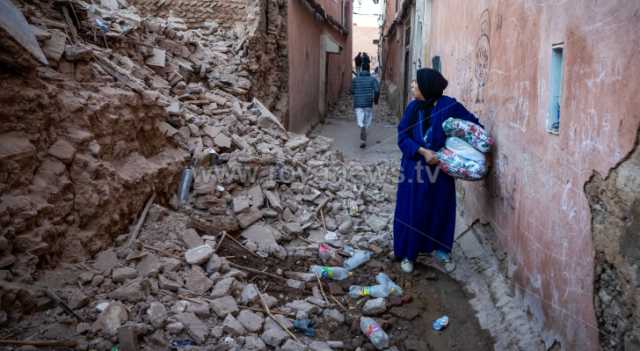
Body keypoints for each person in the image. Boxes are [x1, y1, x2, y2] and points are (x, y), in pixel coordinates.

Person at [393, 68, 482, 273]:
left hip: (441, 169)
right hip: (414, 169)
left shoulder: (449, 106)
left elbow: (473, 128)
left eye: (416, 82)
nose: (413, 85)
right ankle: (409, 253)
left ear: (427, 86)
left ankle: (441, 251)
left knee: (440, 208)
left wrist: (452, 151)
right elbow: (402, 137)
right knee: (411, 210)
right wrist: (422, 151)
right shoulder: (413, 108)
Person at [351, 63, 380, 148]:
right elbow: (377, 90)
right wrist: (376, 101)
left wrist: (356, 93)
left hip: (358, 103)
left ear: (361, 69)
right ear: (368, 69)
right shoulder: (372, 79)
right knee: (367, 119)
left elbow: (352, 91)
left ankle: (362, 127)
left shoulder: (355, 79)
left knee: (360, 119)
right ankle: (364, 131)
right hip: (368, 103)